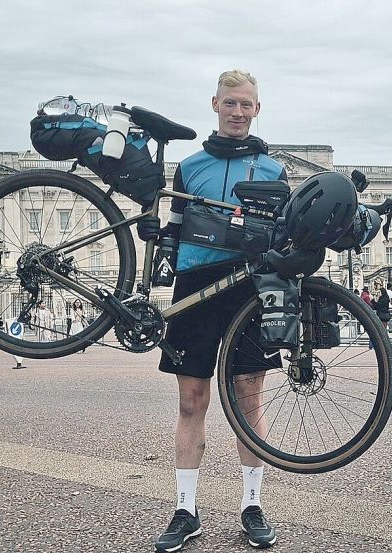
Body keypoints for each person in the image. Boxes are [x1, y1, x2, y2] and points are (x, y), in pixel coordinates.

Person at [138, 70, 284, 552]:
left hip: (248, 288)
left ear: (257, 109)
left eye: (246, 104)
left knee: (249, 401)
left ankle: (252, 505)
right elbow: (176, 230)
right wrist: (159, 239)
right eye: (230, 103)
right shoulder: (190, 166)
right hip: (196, 283)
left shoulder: (273, 170)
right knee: (191, 400)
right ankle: (185, 509)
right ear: (215, 105)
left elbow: (281, 235)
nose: (238, 112)